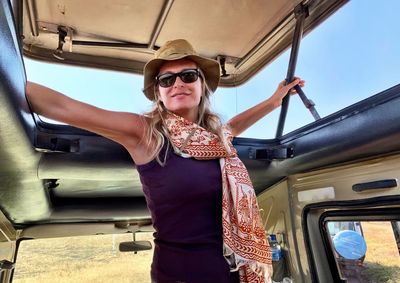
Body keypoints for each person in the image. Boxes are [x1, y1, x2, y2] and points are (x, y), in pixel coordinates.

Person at [26, 39, 304, 283]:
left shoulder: (217, 140)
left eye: (188, 75)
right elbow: (63, 107)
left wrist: (273, 101)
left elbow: (234, 124)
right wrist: (9, 77)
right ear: (158, 92)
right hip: (180, 274)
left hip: (237, 273)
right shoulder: (145, 133)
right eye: (166, 80)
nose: (178, 84)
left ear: (201, 85)